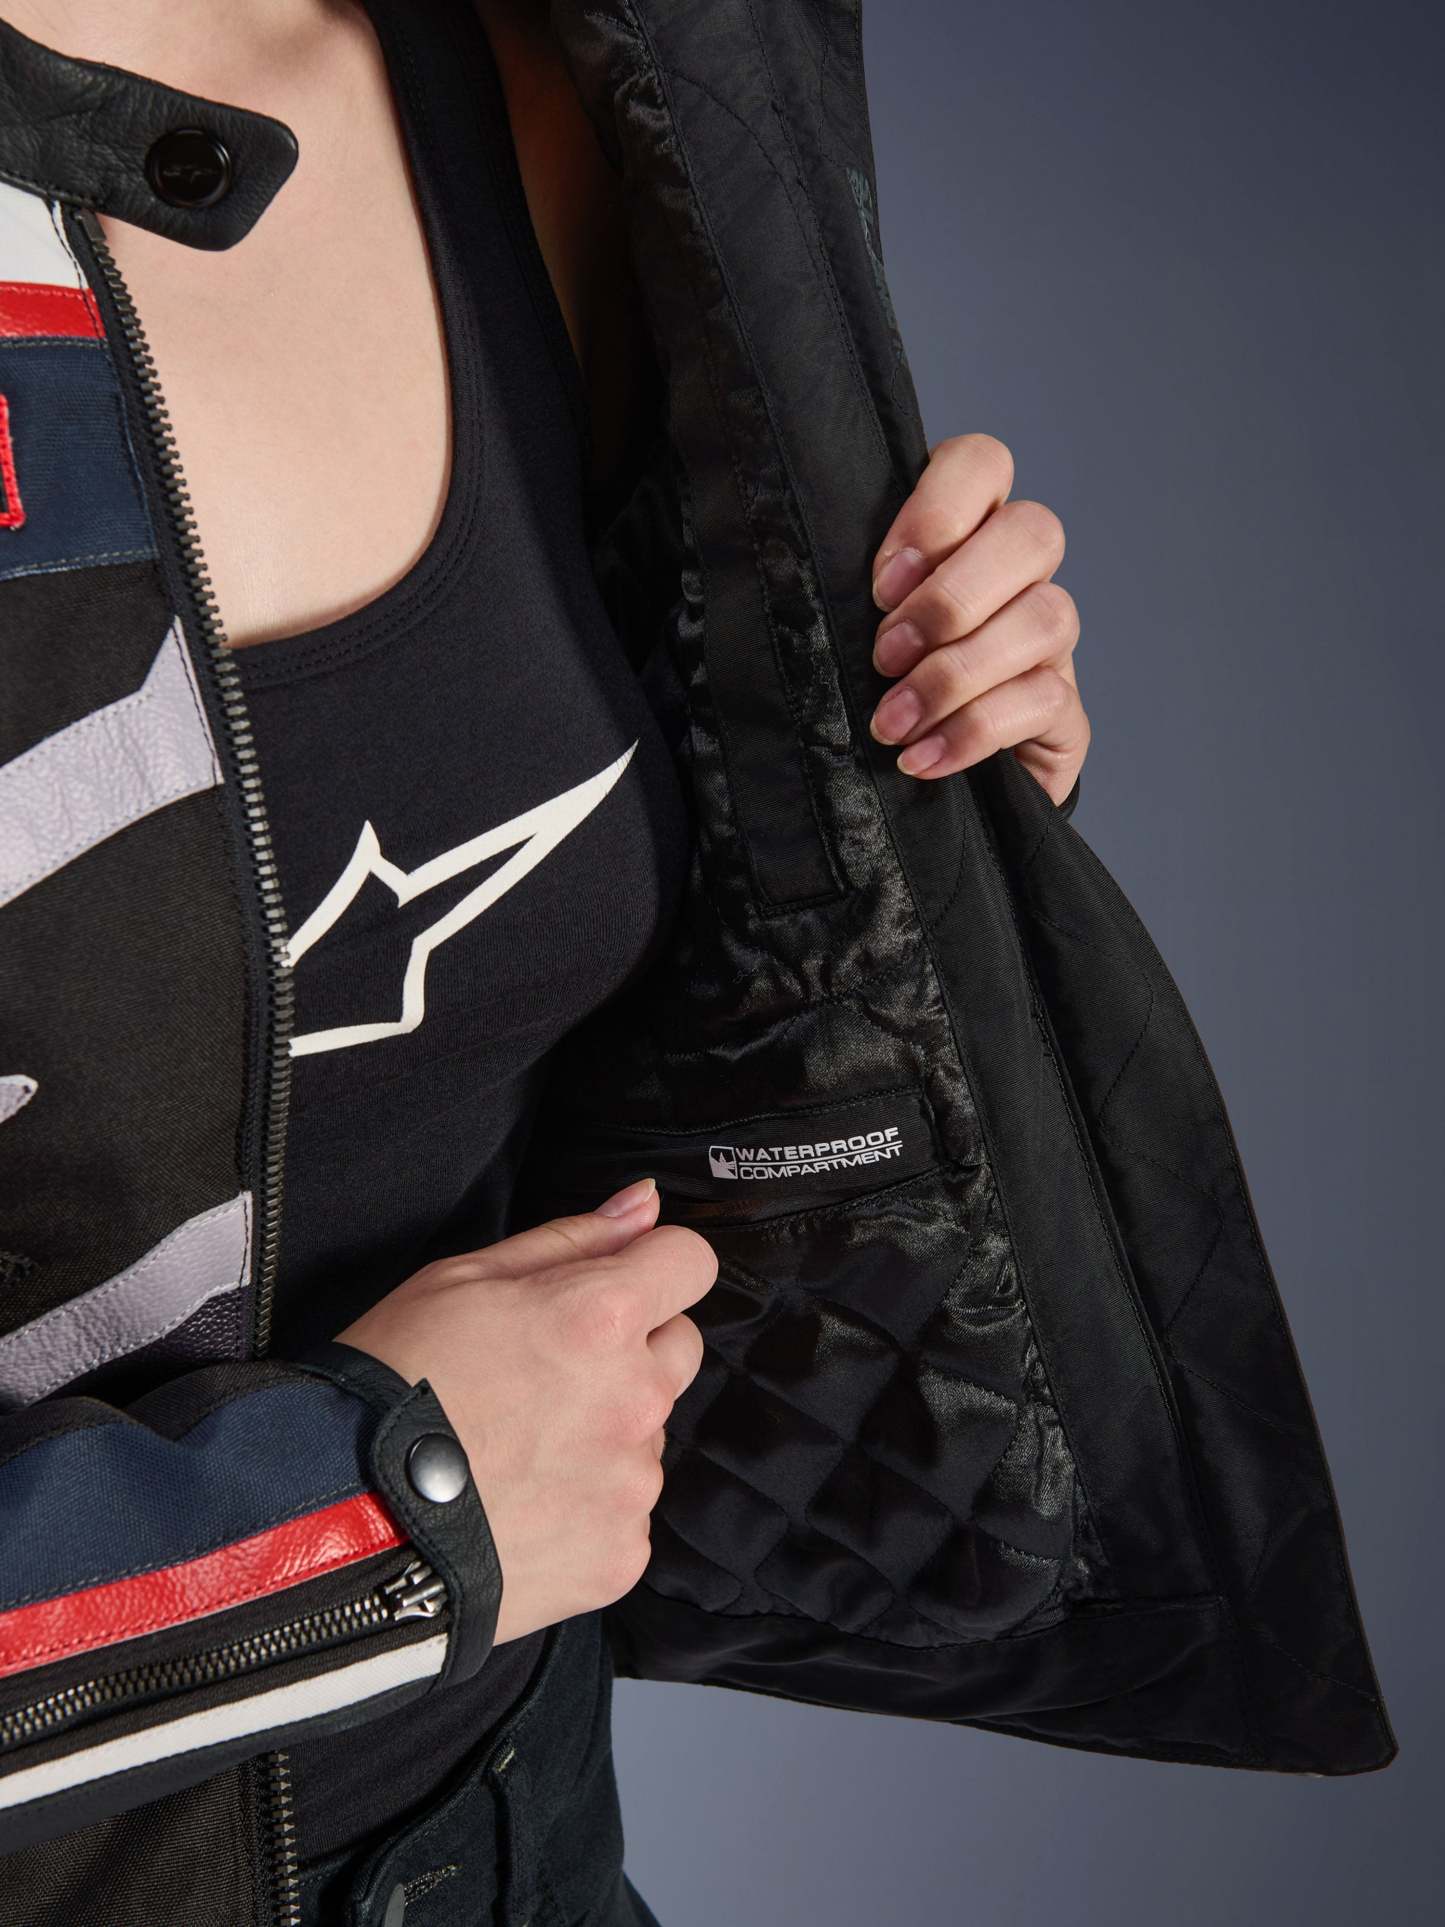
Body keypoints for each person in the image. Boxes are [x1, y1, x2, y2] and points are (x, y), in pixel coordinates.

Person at [0, 0, 1088, 1917]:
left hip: (511, 1843)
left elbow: (519, 1004)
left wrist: (912, 791)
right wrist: (368, 1518)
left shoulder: (553, 71)